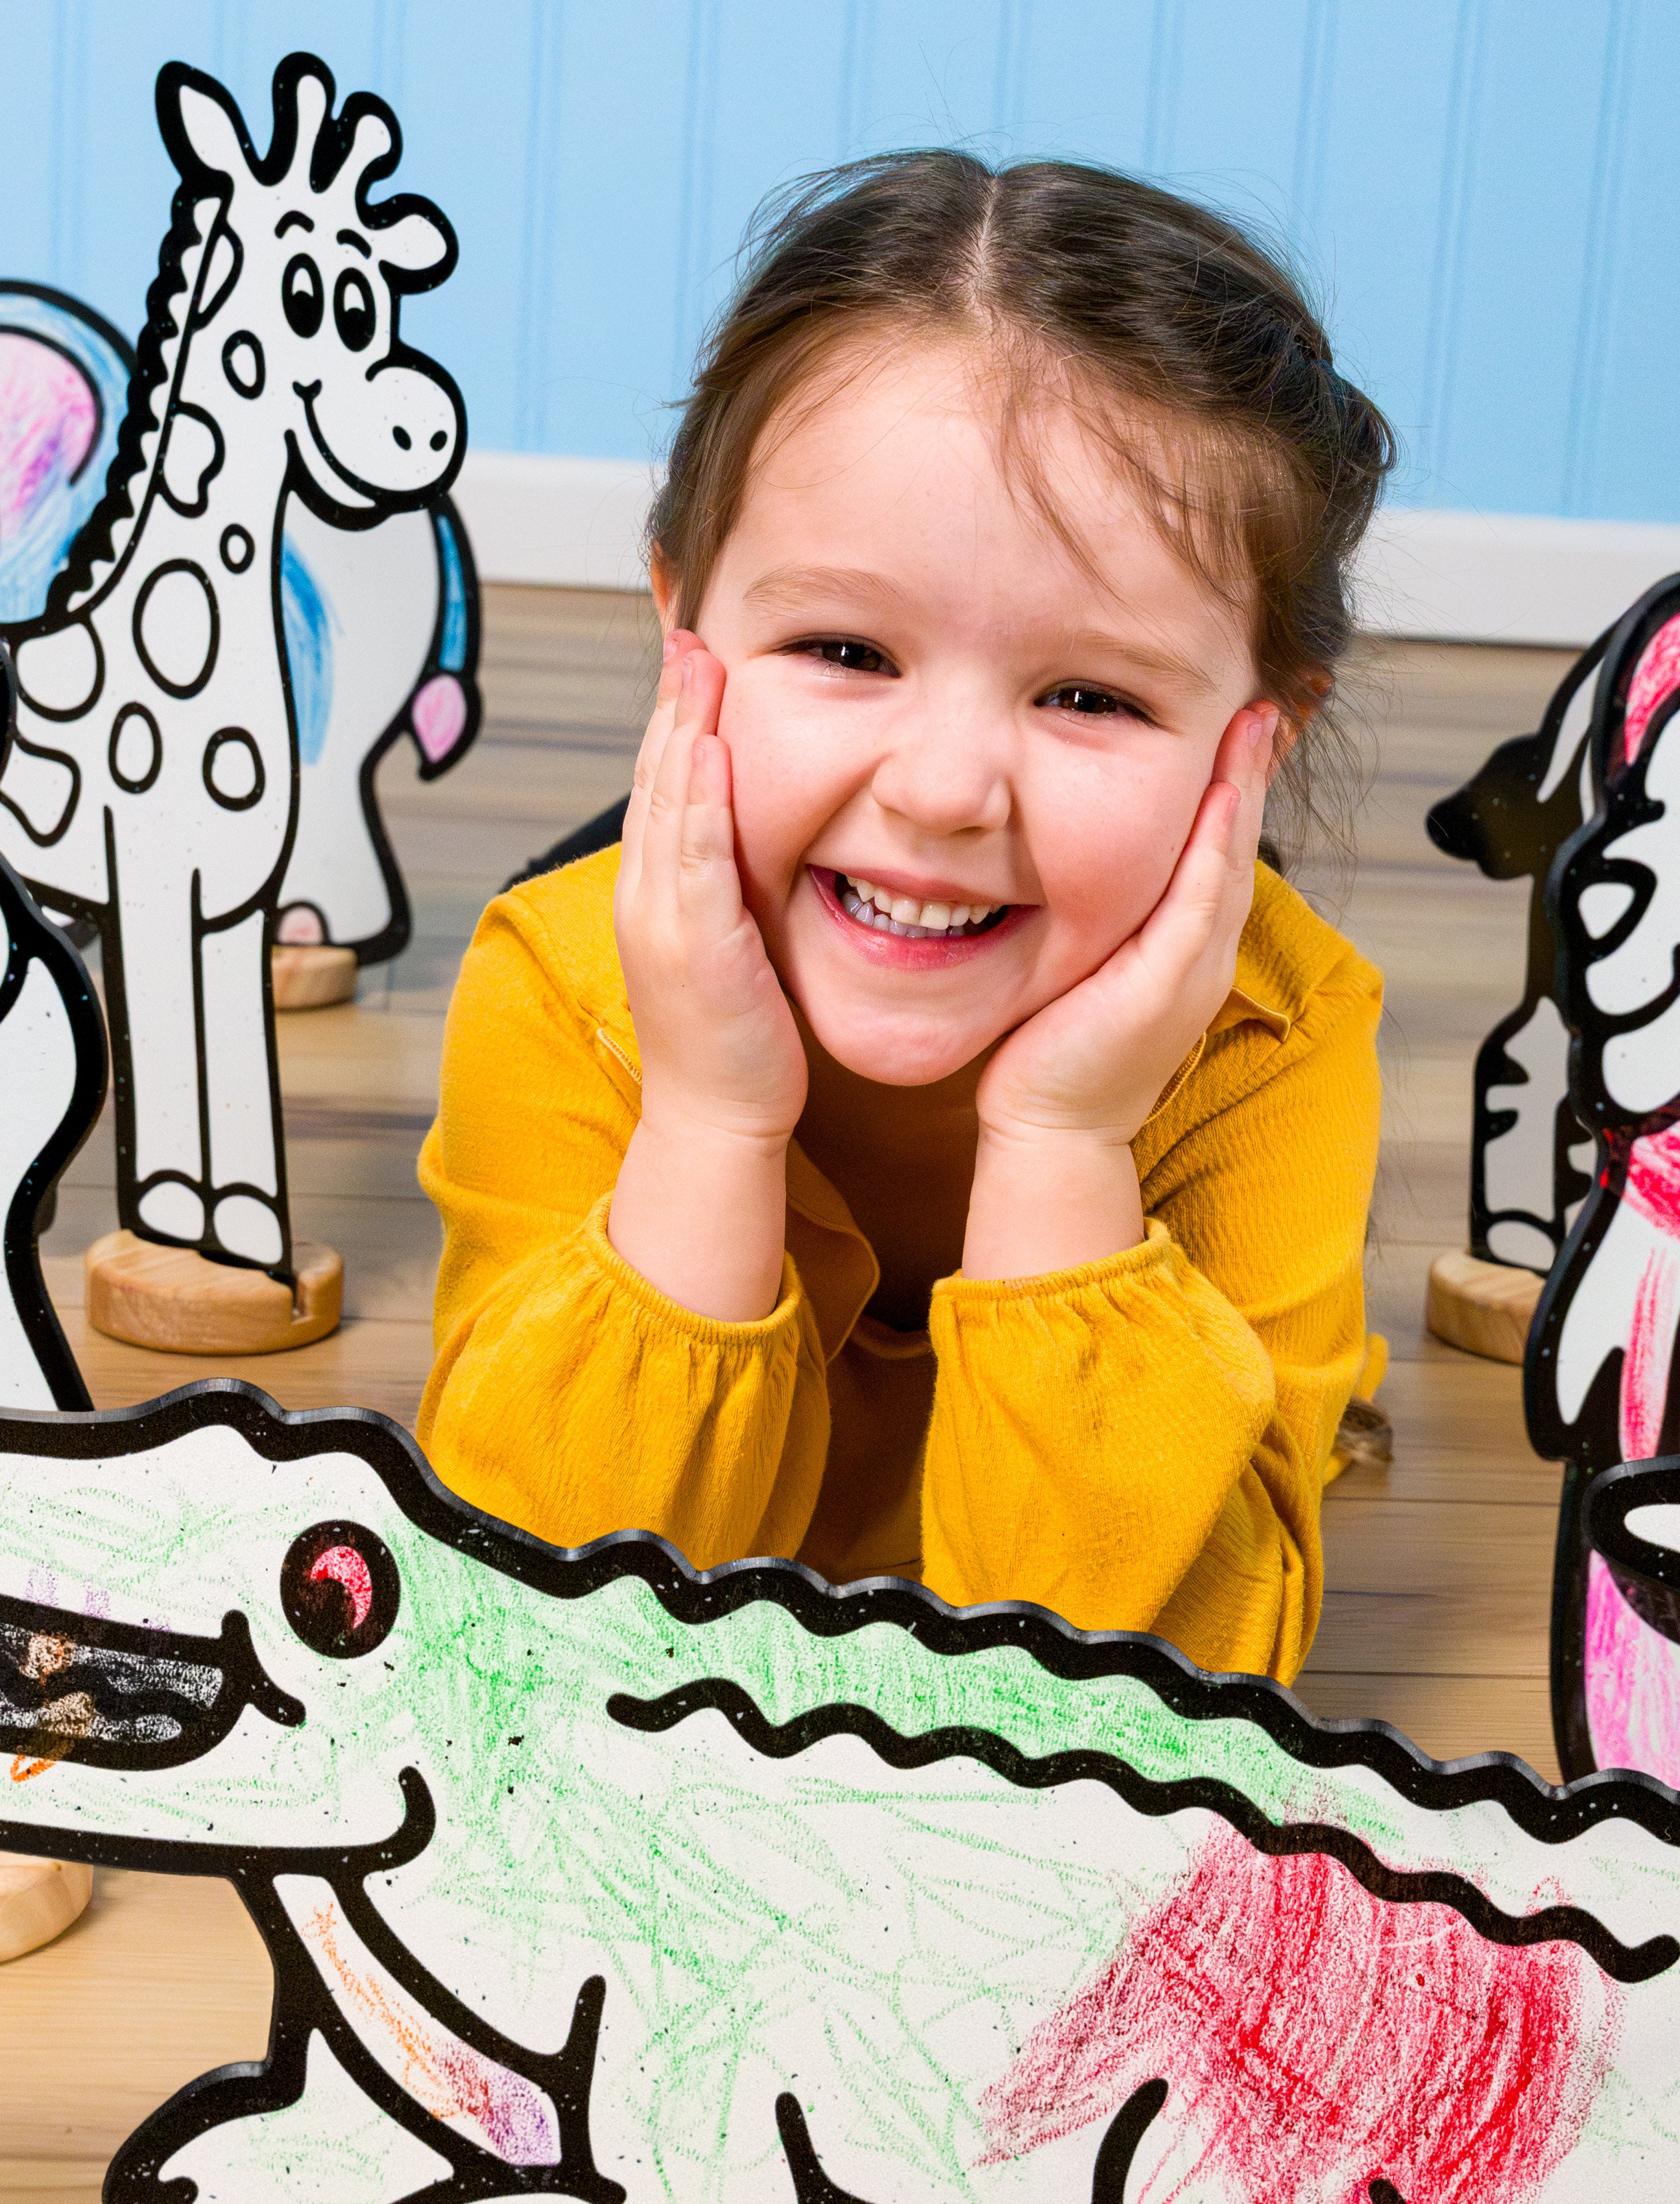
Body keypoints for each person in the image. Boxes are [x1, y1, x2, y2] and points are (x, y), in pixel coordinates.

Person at [417, 152, 1389, 1681]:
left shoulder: (1279, 1034)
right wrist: (709, 1120)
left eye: (1090, 696)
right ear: (680, 622)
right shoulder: (560, 981)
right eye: (845, 650)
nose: (941, 791)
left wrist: (1064, 1142)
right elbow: (516, 1635)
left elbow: (1180, 1697)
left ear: (1254, 740)